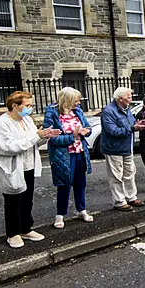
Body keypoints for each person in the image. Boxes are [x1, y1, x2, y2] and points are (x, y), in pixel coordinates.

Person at [0, 91, 61, 248]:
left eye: (31, 105)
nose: (30, 109)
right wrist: (37, 136)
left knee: (27, 199)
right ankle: (13, 234)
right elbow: (6, 147)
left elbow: (33, 142)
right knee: (13, 201)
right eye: (27, 105)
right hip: (12, 168)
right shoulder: (1, 123)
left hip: (29, 166)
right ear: (15, 106)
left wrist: (46, 136)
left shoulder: (27, 120)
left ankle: (25, 229)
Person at [44, 87, 94, 229]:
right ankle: (60, 215)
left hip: (80, 152)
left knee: (80, 183)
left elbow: (88, 127)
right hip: (63, 155)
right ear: (67, 100)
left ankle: (81, 210)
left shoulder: (77, 112)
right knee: (64, 185)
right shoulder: (52, 113)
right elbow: (51, 138)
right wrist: (71, 137)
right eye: (76, 100)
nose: (79, 103)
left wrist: (85, 131)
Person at [101, 87, 145, 212]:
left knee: (130, 173)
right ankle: (119, 201)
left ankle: (131, 197)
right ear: (120, 98)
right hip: (113, 149)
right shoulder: (108, 111)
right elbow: (112, 131)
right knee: (116, 176)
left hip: (127, 147)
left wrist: (138, 123)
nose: (131, 99)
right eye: (128, 97)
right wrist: (133, 128)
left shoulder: (127, 110)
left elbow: (131, 124)